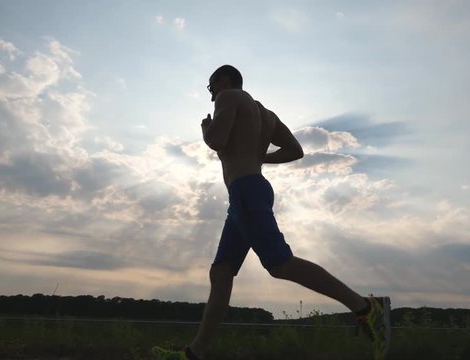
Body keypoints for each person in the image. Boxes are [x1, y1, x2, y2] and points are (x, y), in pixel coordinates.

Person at [152, 65, 391, 360]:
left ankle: (366, 308)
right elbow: (295, 150)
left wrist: (205, 130)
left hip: (246, 192)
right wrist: (258, 156)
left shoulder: (228, 97)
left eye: (211, 86)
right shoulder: (266, 114)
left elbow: (217, 141)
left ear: (224, 81)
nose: (211, 93)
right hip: (250, 191)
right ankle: (195, 353)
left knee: (280, 265)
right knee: (221, 272)